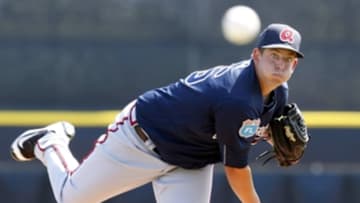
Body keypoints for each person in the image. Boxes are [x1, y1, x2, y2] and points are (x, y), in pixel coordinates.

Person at [10, 23, 304, 203]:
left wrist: (267, 134)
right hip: (141, 140)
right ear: (255, 55)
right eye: (273, 55)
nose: (280, 64)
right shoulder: (237, 98)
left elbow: (247, 127)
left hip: (191, 160)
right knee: (70, 198)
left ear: (295, 66)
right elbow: (236, 170)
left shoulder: (279, 93)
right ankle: (50, 141)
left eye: (288, 58)